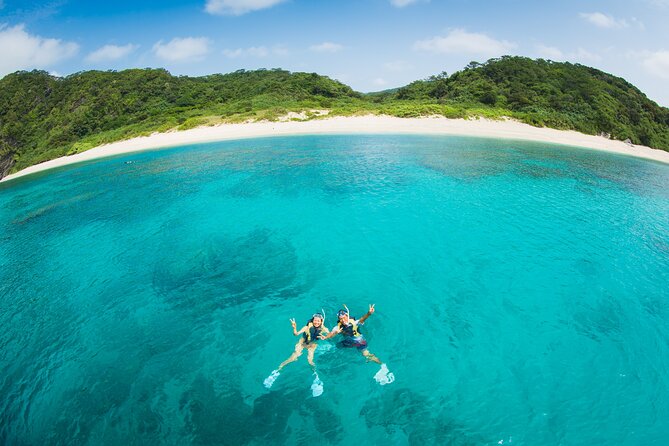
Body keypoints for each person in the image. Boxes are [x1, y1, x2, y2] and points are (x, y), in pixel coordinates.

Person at [322, 304, 394, 385]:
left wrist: (369, 313)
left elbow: (362, 319)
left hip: (359, 341)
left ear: (347, 316)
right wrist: (326, 337)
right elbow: (331, 334)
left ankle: (382, 365)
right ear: (339, 320)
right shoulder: (338, 328)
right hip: (349, 342)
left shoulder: (354, 322)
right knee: (337, 346)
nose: (343, 320)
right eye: (341, 319)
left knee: (366, 354)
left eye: (344, 317)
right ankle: (381, 364)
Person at [263, 311, 329, 397]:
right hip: (302, 343)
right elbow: (296, 334)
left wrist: (325, 337)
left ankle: (316, 377)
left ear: (321, 321)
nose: (316, 322)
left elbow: (330, 335)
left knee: (310, 360)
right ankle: (277, 371)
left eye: (318, 321)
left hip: (312, 345)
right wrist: (294, 327)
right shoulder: (307, 327)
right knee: (293, 358)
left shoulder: (324, 329)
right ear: (312, 320)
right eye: (315, 320)